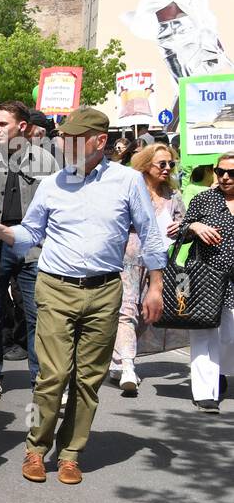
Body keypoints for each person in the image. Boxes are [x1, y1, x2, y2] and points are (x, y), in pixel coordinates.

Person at [0, 107, 167, 485]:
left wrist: (156, 287)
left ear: (100, 142)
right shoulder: (53, 183)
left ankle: (70, 454)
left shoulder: (127, 182)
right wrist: (2, 230)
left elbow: (149, 234)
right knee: (51, 376)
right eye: (63, 138)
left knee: (88, 380)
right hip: (55, 287)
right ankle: (35, 448)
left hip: (104, 291)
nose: (64, 144)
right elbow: (30, 234)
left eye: (73, 138)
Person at [0, 101, 55, 401]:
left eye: (2, 124)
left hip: (31, 247)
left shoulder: (45, 161)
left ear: (21, 127)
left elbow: (57, 205)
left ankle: (40, 377)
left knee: (37, 315)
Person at [119, 0, 233, 113]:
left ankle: (182, 124)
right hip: (165, 37)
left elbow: (204, 17)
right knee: (180, 81)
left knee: (194, 80)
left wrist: (214, 41)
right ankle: (181, 124)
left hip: (188, 33)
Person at [110, 142, 185, 396]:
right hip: (129, 256)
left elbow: (182, 222)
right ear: (146, 164)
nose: (167, 169)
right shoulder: (132, 188)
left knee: (148, 313)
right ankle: (129, 365)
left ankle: (117, 359)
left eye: (171, 164)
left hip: (159, 262)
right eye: (161, 163)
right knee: (127, 309)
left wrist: (180, 227)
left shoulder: (173, 195)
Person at [176, 151, 234, 412]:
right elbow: (181, 232)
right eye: (220, 171)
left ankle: (219, 370)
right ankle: (204, 393)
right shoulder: (204, 199)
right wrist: (194, 227)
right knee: (203, 334)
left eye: (231, 173)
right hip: (205, 275)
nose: (224, 177)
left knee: (229, 337)